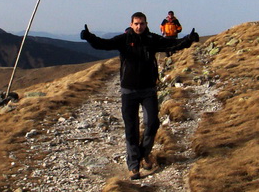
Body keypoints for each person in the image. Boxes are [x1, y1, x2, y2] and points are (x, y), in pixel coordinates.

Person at [80, 12, 199, 179]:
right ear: (131, 24)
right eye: (136, 23)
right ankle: (134, 165)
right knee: (131, 129)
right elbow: (104, 44)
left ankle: (144, 153)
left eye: (142, 23)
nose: (139, 26)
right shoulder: (124, 39)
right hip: (128, 91)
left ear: (146, 24)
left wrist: (188, 39)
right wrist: (89, 37)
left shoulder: (152, 39)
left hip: (148, 89)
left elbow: (171, 44)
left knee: (152, 123)